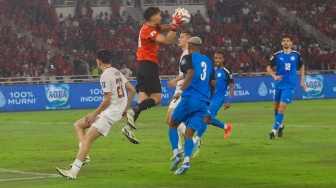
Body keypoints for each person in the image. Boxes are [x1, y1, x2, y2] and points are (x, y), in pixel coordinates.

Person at [55, 49, 136, 179]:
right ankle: (84, 155)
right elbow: (132, 90)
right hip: (113, 111)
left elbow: (107, 100)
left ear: (98, 62)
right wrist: (125, 109)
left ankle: (73, 172)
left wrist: (94, 114)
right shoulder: (117, 72)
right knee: (78, 125)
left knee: (86, 140)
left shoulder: (105, 75)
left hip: (109, 114)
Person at [122, 7, 184, 144]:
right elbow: (167, 41)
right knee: (156, 99)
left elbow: (166, 28)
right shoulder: (148, 31)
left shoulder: (150, 27)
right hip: (149, 66)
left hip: (142, 67)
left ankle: (127, 128)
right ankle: (131, 112)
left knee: (142, 100)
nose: (161, 17)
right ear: (152, 17)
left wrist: (176, 22)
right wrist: (174, 27)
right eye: (159, 15)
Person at [169, 37, 216, 175]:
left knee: (172, 124)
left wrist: (180, 92)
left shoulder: (188, 57)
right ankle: (186, 162)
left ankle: (177, 154)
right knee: (189, 135)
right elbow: (213, 83)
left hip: (190, 98)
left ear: (189, 46)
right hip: (203, 102)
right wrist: (209, 100)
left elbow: (190, 73)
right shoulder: (209, 61)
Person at [166, 30, 200, 160]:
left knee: (171, 120)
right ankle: (181, 148)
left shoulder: (188, 54)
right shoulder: (184, 53)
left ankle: (192, 141)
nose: (179, 39)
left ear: (189, 41)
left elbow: (189, 73)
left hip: (183, 90)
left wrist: (176, 80)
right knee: (169, 120)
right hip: (180, 89)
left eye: (182, 37)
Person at [267, 35, 307, 139]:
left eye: (287, 41)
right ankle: (280, 125)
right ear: (282, 43)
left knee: (282, 108)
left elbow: (302, 66)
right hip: (278, 85)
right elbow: (268, 68)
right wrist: (274, 76)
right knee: (276, 107)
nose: (285, 42)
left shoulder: (296, 55)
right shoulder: (277, 55)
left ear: (291, 43)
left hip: (289, 86)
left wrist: (302, 81)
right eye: (284, 41)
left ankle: (273, 130)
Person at [195, 51, 234, 143]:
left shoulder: (226, 72)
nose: (217, 60)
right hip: (208, 98)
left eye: (220, 58)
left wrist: (229, 100)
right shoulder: (211, 70)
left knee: (205, 117)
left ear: (223, 60)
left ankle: (196, 140)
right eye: (216, 58)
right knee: (208, 120)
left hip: (217, 100)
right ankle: (226, 127)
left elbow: (232, 86)